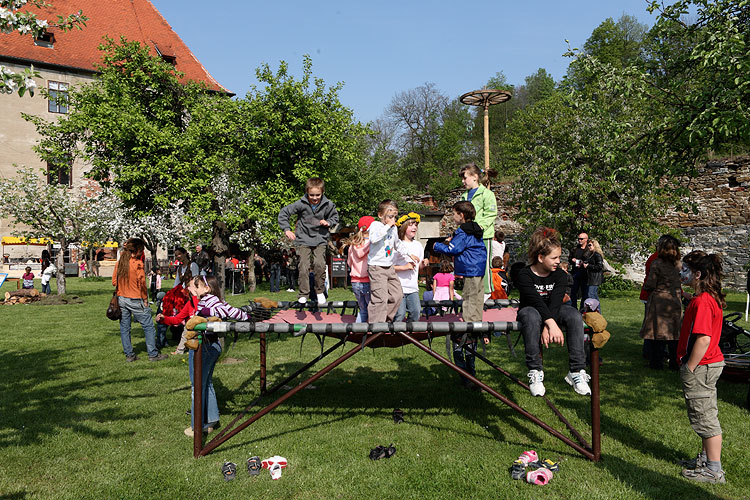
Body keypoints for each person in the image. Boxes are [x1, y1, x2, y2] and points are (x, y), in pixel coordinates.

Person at [517, 228, 590, 397]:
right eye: (554, 258)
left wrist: (548, 325)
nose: (558, 261)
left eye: (559, 257)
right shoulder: (524, 275)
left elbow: (556, 302)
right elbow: (535, 301)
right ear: (540, 257)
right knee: (531, 316)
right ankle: (535, 372)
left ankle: (577, 371)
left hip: (553, 310)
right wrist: (550, 324)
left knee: (573, 315)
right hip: (531, 309)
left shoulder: (560, 275)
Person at [676, 251, 727, 484]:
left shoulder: (704, 302)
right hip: (708, 365)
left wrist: (691, 367)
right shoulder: (704, 298)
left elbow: (704, 338)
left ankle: (714, 471)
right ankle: (707, 461)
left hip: (702, 366)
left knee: (705, 418)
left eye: (685, 270)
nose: (680, 272)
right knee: (704, 412)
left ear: (698, 274)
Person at [433, 200, 488, 386]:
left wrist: (436, 246)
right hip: (479, 267)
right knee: (477, 297)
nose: (453, 217)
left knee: (469, 297)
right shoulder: (475, 228)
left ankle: (470, 325)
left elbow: (453, 249)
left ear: (461, 216)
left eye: (454, 214)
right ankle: (476, 322)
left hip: (470, 268)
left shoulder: (463, 231)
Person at [278, 177, 339, 305]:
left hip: (320, 238)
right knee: (303, 265)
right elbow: (284, 213)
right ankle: (303, 293)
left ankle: (319, 291)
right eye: (311, 195)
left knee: (319, 264)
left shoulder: (328, 204)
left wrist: (329, 222)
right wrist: (286, 229)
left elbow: (335, 217)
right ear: (307, 192)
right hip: (304, 238)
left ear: (322, 192)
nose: (315, 198)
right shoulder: (301, 203)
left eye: (318, 195)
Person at [112, 238, 167, 362]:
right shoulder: (137, 264)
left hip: (121, 298)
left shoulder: (120, 263)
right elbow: (142, 284)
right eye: (141, 250)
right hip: (136, 299)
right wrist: (145, 300)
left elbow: (114, 282)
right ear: (137, 250)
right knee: (148, 326)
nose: (142, 252)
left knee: (125, 328)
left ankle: (129, 355)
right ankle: (153, 354)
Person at [367, 200, 417, 323]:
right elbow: (374, 239)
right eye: (390, 217)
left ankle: (386, 320)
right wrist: (388, 226)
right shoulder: (375, 226)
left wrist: (408, 254)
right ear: (380, 215)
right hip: (376, 267)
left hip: (389, 267)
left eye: (394, 217)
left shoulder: (393, 229)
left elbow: (397, 244)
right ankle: (376, 325)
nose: (393, 220)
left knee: (397, 295)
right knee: (380, 298)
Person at [640, 235, 682, 370]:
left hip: (659, 300)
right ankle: (674, 363)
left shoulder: (657, 263)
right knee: (674, 333)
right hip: (675, 299)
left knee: (658, 333)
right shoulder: (678, 264)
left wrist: (647, 287)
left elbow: (650, 283)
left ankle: (656, 363)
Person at [459, 163, 497, 300]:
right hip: (468, 237)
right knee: (469, 264)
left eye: (465, 178)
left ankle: (486, 291)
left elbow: (491, 214)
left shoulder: (487, 194)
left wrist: (479, 227)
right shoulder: (464, 196)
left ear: (475, 177)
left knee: (484, 264)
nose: (463, 181)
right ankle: (471, 291)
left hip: (483, 236)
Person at [394, 213, 428, 322]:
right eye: (411, 225)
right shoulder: (397, 245)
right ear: (404, 227)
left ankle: (409, 336)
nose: (414, 227)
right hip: (398, 287)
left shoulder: (418, 245)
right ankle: (395, 336)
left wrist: (423, 264)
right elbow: (389, 267)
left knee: (416, 312)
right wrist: (404, 267)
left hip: (412, 287)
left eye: (416, 225)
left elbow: (418, 268)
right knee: (400, 314)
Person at [344, 216, 373, 323]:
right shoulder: (371, 243)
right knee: (372, 310)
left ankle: (359, 331)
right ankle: (372, 334)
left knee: (363, 309)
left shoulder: (353, 244)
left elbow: (349, 263)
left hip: (355, 281)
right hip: (367, 280)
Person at [568, 232, 590, 310]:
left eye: (581, 239)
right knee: (573, 292)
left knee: (585, 293)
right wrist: (572, 260)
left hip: (585, 274)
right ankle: (573, 308)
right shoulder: (575, 249)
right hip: (575, 273)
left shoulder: (589, 250)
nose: (579, 240)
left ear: (586, 240)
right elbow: (569, 259)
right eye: (579, 239)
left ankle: (582, 309)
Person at [583, 239, 604, 309]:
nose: (589, 247)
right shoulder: (591, 254)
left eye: (590, 245)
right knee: (594, 296)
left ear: (595, 245)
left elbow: (599, 266)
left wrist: (588, 266)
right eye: (588, 245)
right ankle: (597, 312)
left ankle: (594, 311)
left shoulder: (597, 255)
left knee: (591, 295)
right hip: (591, 278)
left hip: (595, 278)